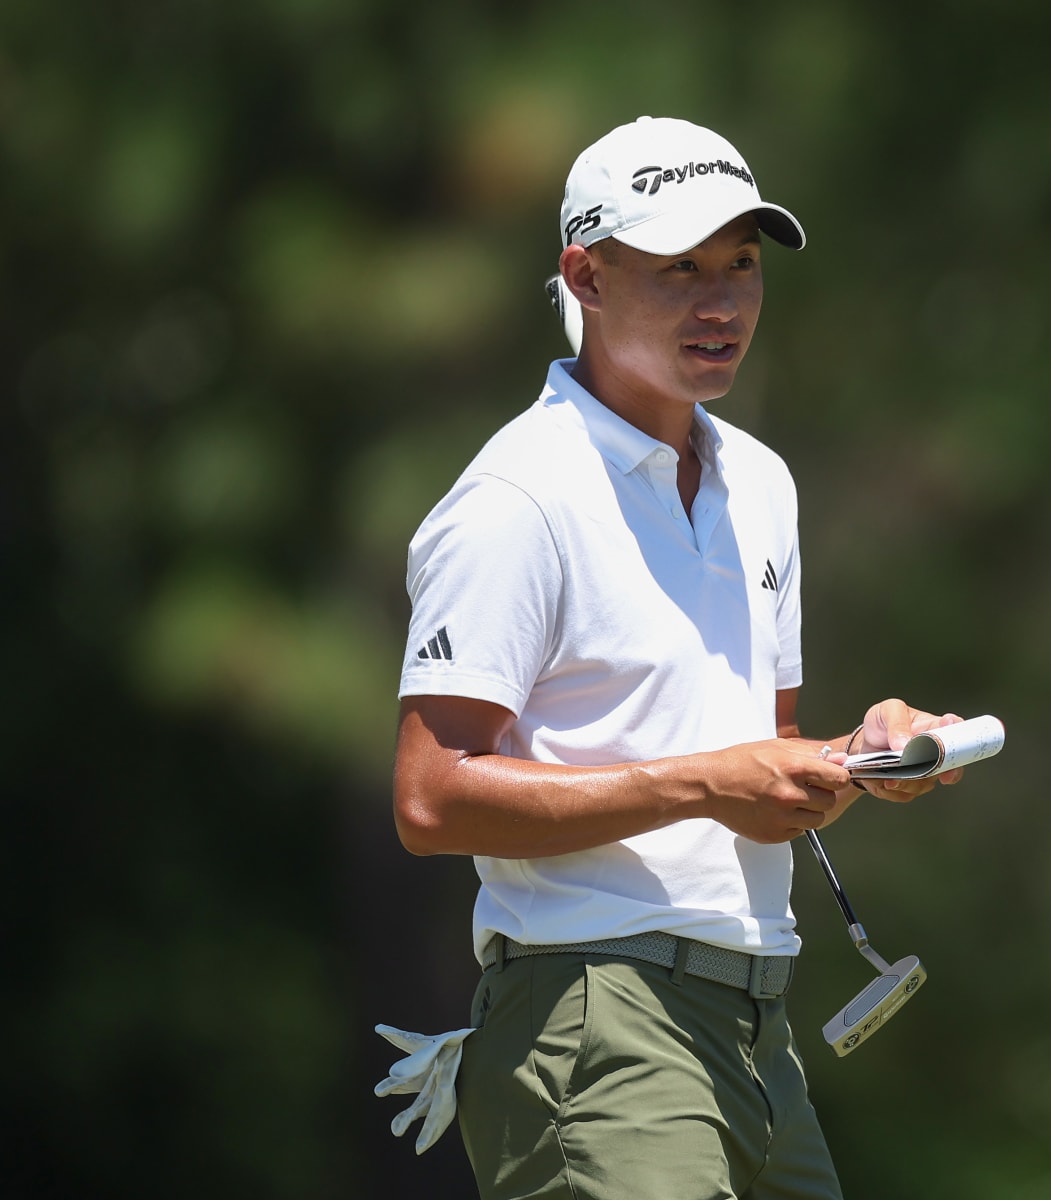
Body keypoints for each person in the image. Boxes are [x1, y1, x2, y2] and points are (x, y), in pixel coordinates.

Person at [390, 114, 960, 1200]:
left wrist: (862, 751)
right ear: (585, 276)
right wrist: (701, 787)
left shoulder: (762, 481)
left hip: (756, 1030)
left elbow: (759, 756)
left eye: (741, 266)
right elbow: (430, 798)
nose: (722, 302)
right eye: (679, 270)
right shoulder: (517, 498)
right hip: (594, 1016)